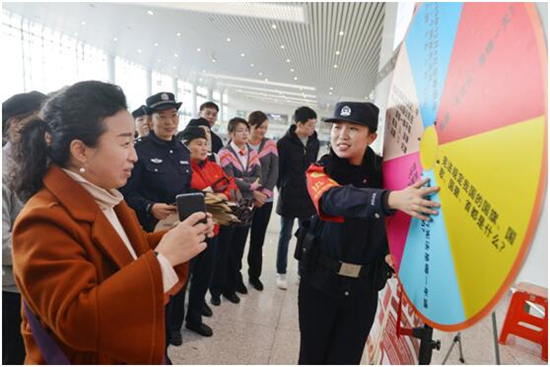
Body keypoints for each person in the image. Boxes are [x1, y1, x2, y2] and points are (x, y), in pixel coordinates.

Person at [9, 81, 212, 364]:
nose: (134, 155)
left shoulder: (105, 196)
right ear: (81, 150)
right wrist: (164, 259)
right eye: (124, 143)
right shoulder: (43, 220)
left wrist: (178, 237)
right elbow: (76, 320)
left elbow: (131, 248)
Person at [298, 101, 440, 364]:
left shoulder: (387, 174)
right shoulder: (320, 170)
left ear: (372, 136)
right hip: (319, 284)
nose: (342, 135)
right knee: (312, 357)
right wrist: (388, 200)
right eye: (337, 127)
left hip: (363, 289)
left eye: (353, 128)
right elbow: (334, 199)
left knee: (347, 358)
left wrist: (394, 250)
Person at [120, 91, 193, 347]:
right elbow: (124, 194)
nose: (169, 121)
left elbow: (186, 187)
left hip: (178, 228)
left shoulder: (183, 152)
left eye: (173, 115)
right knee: (154, 284)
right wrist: (150, 207)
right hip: (148, 232)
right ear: (150, 120)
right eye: (161, 116)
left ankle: (174, 328)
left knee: (181, 277)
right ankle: (153, 335)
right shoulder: (139, 151)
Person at [171, 126, 238, 338]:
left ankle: (194, 318)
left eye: (205, 144)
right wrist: (208, 194)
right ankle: (174, 327)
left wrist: (217, 196)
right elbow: (186, 193)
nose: (204, 147)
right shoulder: (181, 169)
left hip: (212, 230)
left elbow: (230, 187)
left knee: (203, 278)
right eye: (198, 143)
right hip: (189, 232)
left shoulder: (214, 167)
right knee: (183, 279)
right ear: (186, 145)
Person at [2, 90, 46, 365]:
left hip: (41, 281)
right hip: (13, 288)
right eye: (43, 122)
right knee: (17, 355)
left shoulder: (40, 163)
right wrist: (51, 248)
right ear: (17, 124)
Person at [210, 117, 261, 305]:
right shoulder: (224, 153)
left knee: (237, 249)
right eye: (240, 130)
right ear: (231, 133)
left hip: (246, 207)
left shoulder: (252, 153)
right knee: (223, 249)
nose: (245, 133)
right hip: (229, 206)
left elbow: (258, 176)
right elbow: (228, 177)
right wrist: (249, 184)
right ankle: (216, 289)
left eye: (246, 130)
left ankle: (230, 286)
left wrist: (244, 182)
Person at [275, 106, 319, 289]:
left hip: (307, 197)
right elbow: (278, 172)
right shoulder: (284, 143)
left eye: (314, 125)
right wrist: (284, 188)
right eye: (309, 125)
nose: (312, 129)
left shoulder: (314, 142)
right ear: (298, 123)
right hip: (289, 195)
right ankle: (281, 273)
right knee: (285, 235)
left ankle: (303, 272)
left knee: (305, 236)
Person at [246, 111, 279, 291]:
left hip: (265, 201)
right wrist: (252, 194)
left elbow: (274, 171)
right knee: (238, 240)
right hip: (245, 199)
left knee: (257, 240)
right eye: (259, 128)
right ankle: (234, 275)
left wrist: (264, 194)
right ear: (250, 126)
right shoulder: (241, 145)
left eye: (265, 128)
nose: (262, 131)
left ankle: (254, 275)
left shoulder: (270, 145)